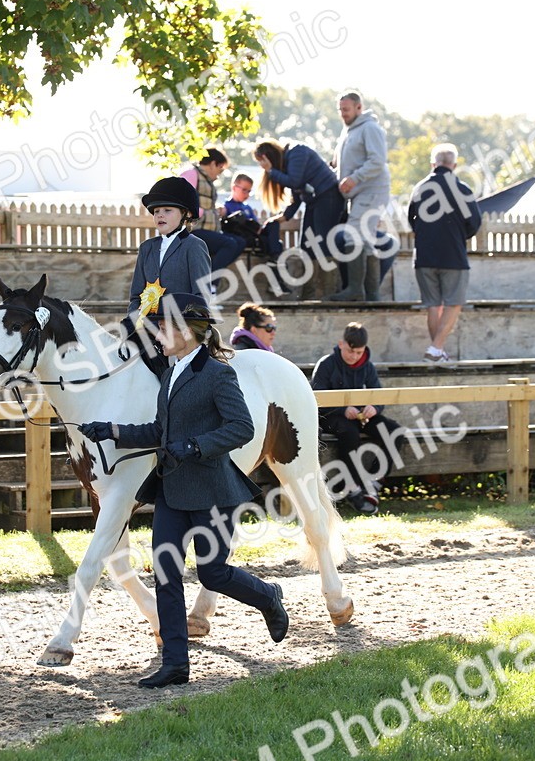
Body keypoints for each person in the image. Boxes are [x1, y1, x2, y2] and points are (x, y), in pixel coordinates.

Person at [78, 292, 289, 688]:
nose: (157, 335)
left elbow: (241, 428)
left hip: (212, 490)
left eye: (164, 327)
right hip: (172, 490)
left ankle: (267, 596)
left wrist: (195, 446)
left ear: (188, 332)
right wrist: (112, 430)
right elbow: (161, 432)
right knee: (166, 575)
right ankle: (176, 664)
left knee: (213, 573)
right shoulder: (171, 374)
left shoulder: (217, 373)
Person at [125, 177, 214, 376]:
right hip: (145, 329)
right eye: (156, 211)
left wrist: (170, 331)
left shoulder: (194, 246)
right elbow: (135, 297)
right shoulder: (147, 248)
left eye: (167, 210)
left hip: (178, 333)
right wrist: (136, 323)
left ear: (186, 214)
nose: (160, 216)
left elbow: (201, 297)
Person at [311, 323, 401, 514]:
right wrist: (343, 409)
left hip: (360, 417)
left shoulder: (367, 366)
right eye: (351, 351)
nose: (354, 356)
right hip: (330, 417)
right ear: (341, 344)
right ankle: (352, 488)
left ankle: (375, 482)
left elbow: (378, 395)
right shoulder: (326, 364)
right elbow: (316, 398)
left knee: (394, 431)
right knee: (349, 433)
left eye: (359, 352)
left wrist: (374, 408)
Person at [408, 143, 482, 365]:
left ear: (433, 164)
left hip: (424, 257)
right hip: (453, 256)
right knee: (454, 303)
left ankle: (436, 352)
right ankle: (436, 348)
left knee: (433, 305)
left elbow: (412, 220)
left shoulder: (419, 189)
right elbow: (474, 224)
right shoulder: (464, 190)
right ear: (454, 165)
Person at [330, 91, 392, 302]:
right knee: (364, 240)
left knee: (353, 236)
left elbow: (377, 161)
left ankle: (356, 289)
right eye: (340, 110)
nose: (343, 114)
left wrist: (354, 178)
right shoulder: (348, 132)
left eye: (346, 110)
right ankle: (372, 293)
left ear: (359, 107)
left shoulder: (370, 128)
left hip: (372, 190)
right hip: (360, 193)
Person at [254, 138, 346, 271]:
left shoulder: (297, 152)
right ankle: (310, 289)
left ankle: (327, 287)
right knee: (306, 245)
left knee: (323, 243)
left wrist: (271, 172)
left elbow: (294, 182)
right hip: (314, 201)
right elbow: (297, 194)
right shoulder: (287, 163)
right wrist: (284, 217)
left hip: (328, 196)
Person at [179, 149, 247, 278]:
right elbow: (182, 202)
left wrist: (217, 210)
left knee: (240, 242)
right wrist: (203, 212)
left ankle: (205, 280)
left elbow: (205, 202)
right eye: (220, 169)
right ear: (212, 164)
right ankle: (209, 284)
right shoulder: (191, 174)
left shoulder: (208, 181)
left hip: (209, 230)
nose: (220, 174)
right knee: (229, 244)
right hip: (194, 230)